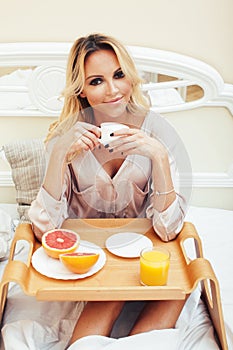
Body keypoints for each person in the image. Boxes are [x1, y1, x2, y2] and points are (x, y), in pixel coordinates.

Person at [28, 33, 189, 346]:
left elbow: (168, 230)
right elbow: (44, 229)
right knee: (110, 296)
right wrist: (60, 155)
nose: (113, 91)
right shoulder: (65, 138)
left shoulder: (156, 132)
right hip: (90, 256)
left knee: (181, 291)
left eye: (119, 75)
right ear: (82, 90)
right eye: (97, 81)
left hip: (142, 253)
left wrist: (157, 156)